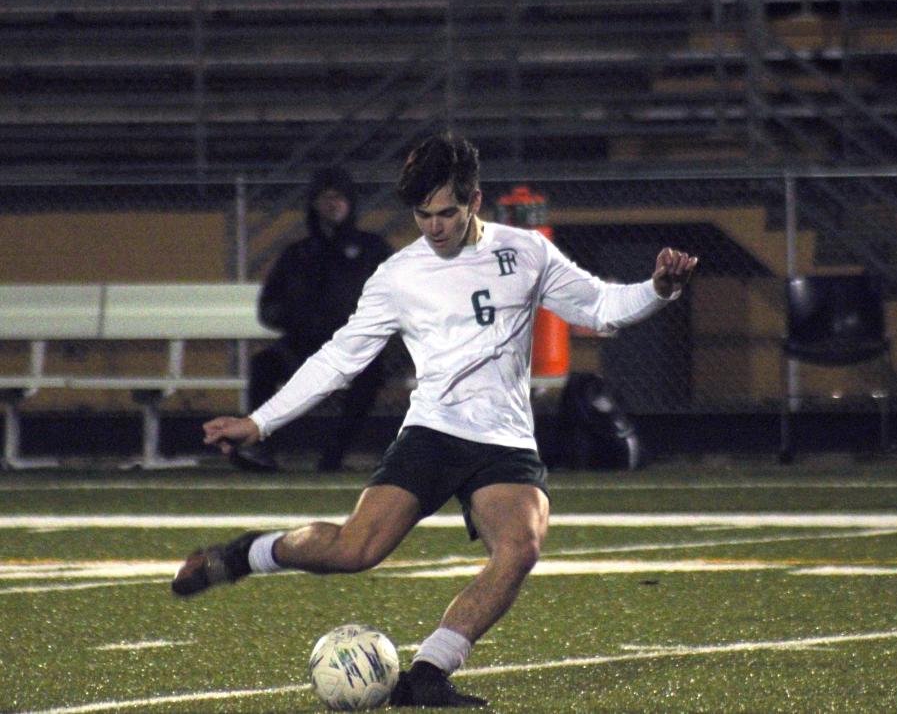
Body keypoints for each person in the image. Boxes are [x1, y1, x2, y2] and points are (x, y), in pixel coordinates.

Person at [172, 132, 697, 708]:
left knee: (521, 546)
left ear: (475, 201)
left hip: (503, 440)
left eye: (446, 212)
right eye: (422, 214)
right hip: (433, 432)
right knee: (354, 552)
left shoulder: (525, 251)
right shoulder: (400, 274)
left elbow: (602, 309)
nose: (434, 227)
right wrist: (260, 422)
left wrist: (658, 289)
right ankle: (249, 553)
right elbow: (339, 357)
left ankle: (428, 672)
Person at [231, 166, 394, 473]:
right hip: (303, 345)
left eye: (339, 197)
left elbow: (398, 297)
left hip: (355, 347)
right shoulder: (298, 254)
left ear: (351, 202)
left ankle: (333, 457)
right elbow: (269, 306)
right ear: (314, 203)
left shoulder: (372, 250)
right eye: (325, 197)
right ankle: (261, 449)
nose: (333, 204)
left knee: (370, 376)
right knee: (263, 366)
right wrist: (298, 321)